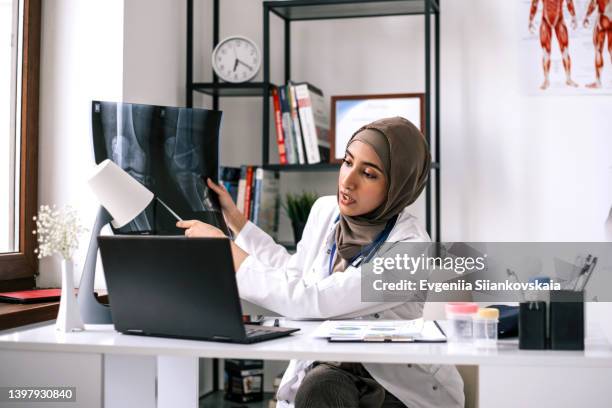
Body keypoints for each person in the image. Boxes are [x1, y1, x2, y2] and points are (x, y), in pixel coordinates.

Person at [177, 117, 464, 408]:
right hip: (335, 369)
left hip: (395, 381)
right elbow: (295, 274)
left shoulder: (413, 250)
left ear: (398, 186)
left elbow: (314, 300)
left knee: (321, 388)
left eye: (368, 173)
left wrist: (227, 253)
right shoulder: (326, 211)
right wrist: (237, 223)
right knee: (319, 385)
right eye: (348, 162)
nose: (348, 180)